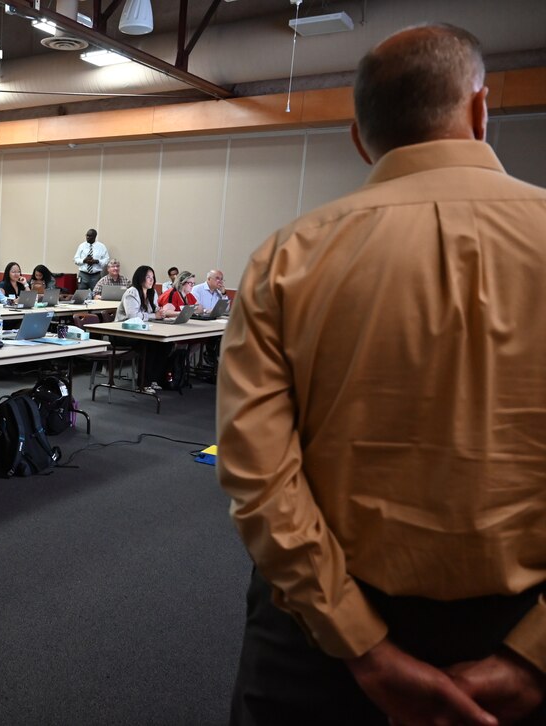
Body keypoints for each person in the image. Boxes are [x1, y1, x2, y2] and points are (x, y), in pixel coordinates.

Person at [217, 25, 546, 726]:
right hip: (521, 621)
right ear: (481, 109)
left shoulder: (285, 260)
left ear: (359, 137)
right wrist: (536, 653)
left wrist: (361, 645)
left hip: (319, 639)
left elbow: (258, 478)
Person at [118, 265, 175, 392]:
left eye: (153, 277)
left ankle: (154, 379)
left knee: (166, 344)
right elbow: (132, 315)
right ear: (140, 278)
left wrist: (160, 312)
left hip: (142, 330)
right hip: (124, 332)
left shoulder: (152, 292)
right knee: (149, 344)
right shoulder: (131, 292)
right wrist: (154, 315)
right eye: (148, 277)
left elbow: (153, 311)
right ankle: (143, 383)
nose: (151, 280)